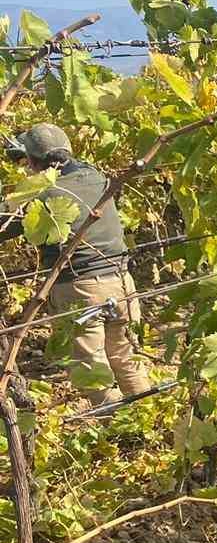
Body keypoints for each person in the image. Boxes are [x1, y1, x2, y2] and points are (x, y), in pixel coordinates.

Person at [0, 123, 151, 406]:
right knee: (125, 359)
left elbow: (3, 225)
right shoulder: (95, 176)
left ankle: (122, 430)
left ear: (33, 161)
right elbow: (65, 168)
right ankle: (147, 422)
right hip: (121, 283)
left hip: (79, 290)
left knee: (91, 372)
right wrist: (32, 158)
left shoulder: (40, 194)